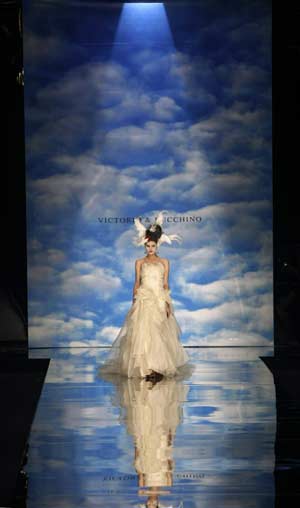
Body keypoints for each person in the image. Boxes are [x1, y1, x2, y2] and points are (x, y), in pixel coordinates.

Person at [99, 212, 190, 380]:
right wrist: (134, 302)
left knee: (158, 333)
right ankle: (146, 367)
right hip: (144, 299)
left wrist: (168, 304)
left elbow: (165, 284)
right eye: (147, 246)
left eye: (153, 246)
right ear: (144, 245)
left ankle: (158, 366)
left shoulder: (165, 262)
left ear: (158, 246)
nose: (150, 249)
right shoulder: (139, 262)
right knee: (143, 334)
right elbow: (136, 283)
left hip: (159, 299)